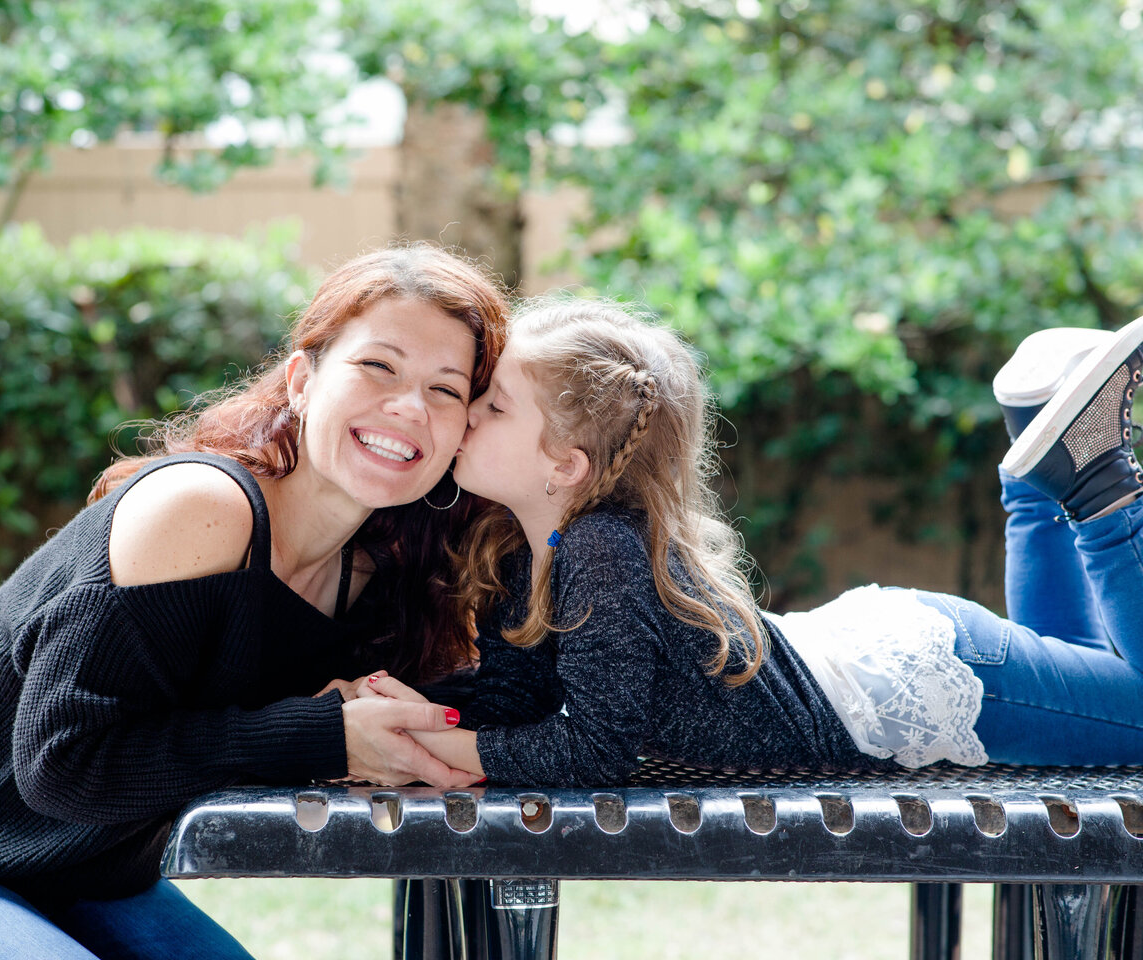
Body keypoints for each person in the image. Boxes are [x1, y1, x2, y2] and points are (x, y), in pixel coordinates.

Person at [0, 244, 507, 959]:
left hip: (88, 880)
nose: (408, 407)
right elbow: (62, 765)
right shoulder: (203, 508)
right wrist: (323, 735)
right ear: (303, 380)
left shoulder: (377, 580)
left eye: (446, 390)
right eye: (378, 366)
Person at [361, 300, 1143, 786]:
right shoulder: (523, 548)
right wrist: (412, 713)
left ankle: (1096, 488)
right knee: (1083, 663)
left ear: (566, 465)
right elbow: (513, 702)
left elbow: (594, 749)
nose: (463, 414)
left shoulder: (599, 553)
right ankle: (1037, 443)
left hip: (925, 685)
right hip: (881, 653)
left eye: (493, 407)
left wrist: (437, 755)